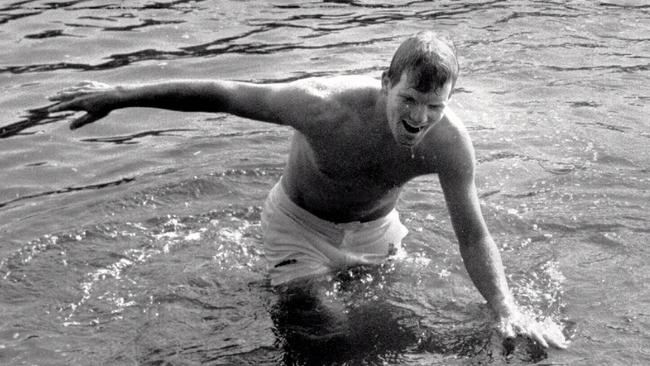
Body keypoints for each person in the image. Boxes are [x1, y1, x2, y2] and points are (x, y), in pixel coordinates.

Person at [46, 31, 567, 349]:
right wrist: (121, 94)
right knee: (326, 334)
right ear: (386, 82)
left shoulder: (449, 145)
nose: (418, 118)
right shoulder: (322, 105)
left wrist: (506, 308)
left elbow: (472, 235)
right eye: (409, 98)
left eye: (434, 106)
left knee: (391, 328)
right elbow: (222, 94)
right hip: (297, 225)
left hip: (378, 229)